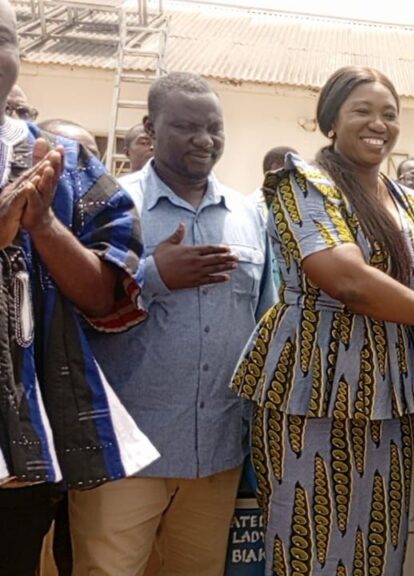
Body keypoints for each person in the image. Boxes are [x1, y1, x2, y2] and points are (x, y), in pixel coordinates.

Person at [231, 65, 414, 576]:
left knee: (377, 548)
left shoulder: (412, 205)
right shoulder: (301, 185)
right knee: (306, 548)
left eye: (389, 114)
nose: (379, 124)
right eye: (362, 111)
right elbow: (348, 282)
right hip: (309, 391)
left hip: (388, 401)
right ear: (330, 121)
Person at [69, 72, 276, 576]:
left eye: (214, 127)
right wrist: (154, 275)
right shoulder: (109, 205)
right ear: (151, 127)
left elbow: (264, 325)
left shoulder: (248, 215)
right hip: (125, 452)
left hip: (215, 451)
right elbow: (72, 311)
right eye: (186, 126)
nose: (204, 140)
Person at [0, 1, 157, 573]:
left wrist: (42, 224)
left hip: (18, 448)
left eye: (3, 39)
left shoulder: (67, 166)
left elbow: (104, 298)